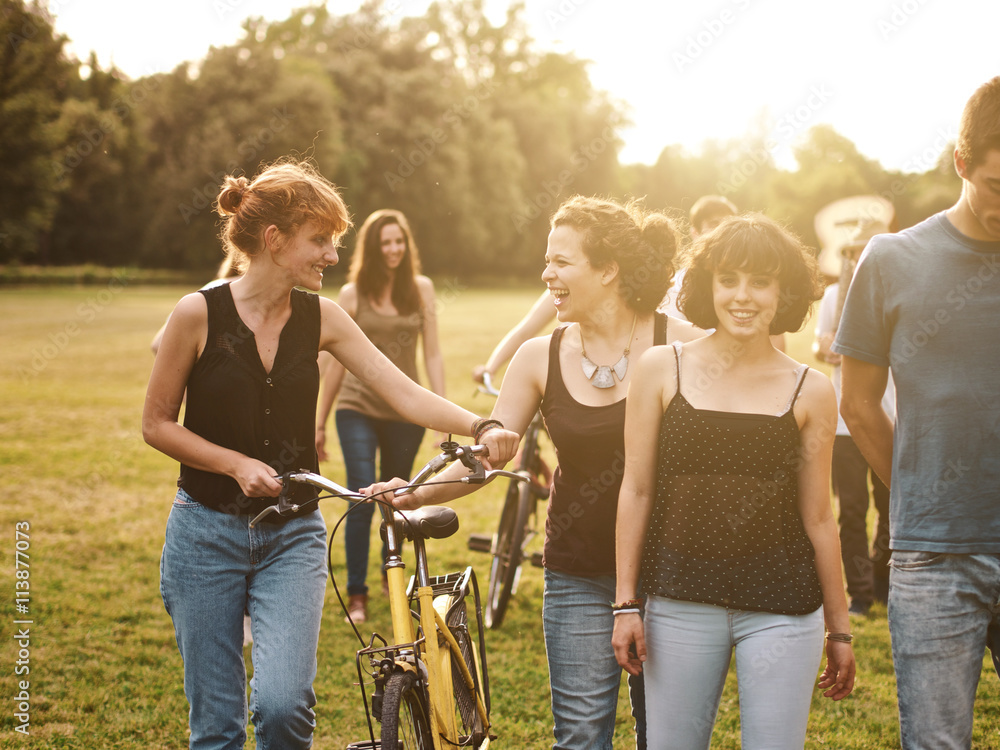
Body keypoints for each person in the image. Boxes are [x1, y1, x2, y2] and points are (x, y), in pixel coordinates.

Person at [142, 159, 517, 750]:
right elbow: (157, 424)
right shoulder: (197, 314)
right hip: (203, 536)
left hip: (293, 537)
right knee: (215, 726)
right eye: (319, 240)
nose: (332, 256)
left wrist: (481, 422)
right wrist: (234, 464)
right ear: (274, 239)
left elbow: (402, 391)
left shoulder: (324, 318)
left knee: (284, 707)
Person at [370, 195, 703, 750]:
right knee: (578, 736)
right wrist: (412, 492)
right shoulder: (536, 356)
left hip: (672, 571)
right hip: (576, 570)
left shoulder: (683, 345)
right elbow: (485, 461)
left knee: (667, 737)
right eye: (546, 261)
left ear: (608, 269)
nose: (546, 274)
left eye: (561, 262)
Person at [613, 214, 855, 749]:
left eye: (761, 281)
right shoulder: (661, 369)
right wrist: (627, 603)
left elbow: (819, 517)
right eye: (729, 279)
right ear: (708, 286)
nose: (743, 296)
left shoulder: (810, 390)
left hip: (783, 609)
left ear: (782, 291)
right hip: (679, 600)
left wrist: (838, 629)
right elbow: (636, 490)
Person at [834, 76, 1000, 749]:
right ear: (961, 164)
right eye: (998, 187)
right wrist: (916, 491)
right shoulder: (892, 260)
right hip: (933, 557)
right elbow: (858, 402)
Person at [314, 209, 445, 623]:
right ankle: (357, 595)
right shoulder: (353, 294)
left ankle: (396, 582)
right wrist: (317, 421)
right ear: (373, 248)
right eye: (385, 242)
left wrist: (441, 412)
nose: (393, 249)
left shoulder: (421, 289)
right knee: (361, 495)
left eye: (399, 241)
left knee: (398, 498)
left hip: (405, 412)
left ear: (407, 246)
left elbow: (433, 353)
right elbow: (332, 362)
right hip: (357, 408)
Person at [813, 222, 894, 615]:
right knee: (851, 510)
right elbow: (820, 343)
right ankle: (859, 594)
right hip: (845, 424)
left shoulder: (896, 289)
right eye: (853, 250)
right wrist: (828, 346)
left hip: (892, 416)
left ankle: (884, 579)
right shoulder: (832, 295)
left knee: (893, 504)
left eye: (867, 249)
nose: (859, 257)